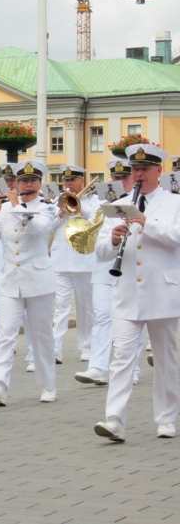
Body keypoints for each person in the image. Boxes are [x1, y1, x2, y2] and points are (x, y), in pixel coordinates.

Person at [94, 144, 180, 442]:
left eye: (145, 169)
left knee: (166, 358)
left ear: (159, 171)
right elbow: (101, 251)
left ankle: (167, 418)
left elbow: (177, 237)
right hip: (127, 291)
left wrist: (146, 223)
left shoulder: (174, 203)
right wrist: (114, 238)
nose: (139, 174)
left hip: (162, 292)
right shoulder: (119, 204)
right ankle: (114, 419)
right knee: (121, 357)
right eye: (135, 169)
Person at [0, 160, 58, 407]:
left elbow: (38, 231)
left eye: (32, 181)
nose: (27, 184)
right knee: (7, 333)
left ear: (39, 183)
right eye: (23, 181)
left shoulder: (47, 207)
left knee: (42, 335)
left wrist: (17, 205)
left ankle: (48, 384)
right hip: (10, 279)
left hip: (38, 280)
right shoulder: (3, 208)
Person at [75, 160, 144, 386]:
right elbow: (98, 245)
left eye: (124, 177)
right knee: (102, 317)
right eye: (115, 178)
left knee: (132, 320)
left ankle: (132, 369)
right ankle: (97, 367)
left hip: (133, 272)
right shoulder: (100, 205)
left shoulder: (144, 204)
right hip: (105, 271)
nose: (118, 182)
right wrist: (112, 239)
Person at [50, 165, 99, 364]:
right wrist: (61, 211)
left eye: (73, 180)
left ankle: (86, 347)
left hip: (84, 262)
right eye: (66, 180)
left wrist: (79, 206)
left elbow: (96, 222)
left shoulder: (94, 201)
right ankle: (55, 347)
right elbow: (48, 227)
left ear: (82, 181)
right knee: (59, 306)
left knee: (85, 307)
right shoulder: (57, 201)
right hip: (60, 261)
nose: (69, 184)